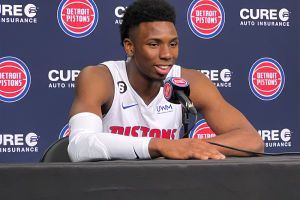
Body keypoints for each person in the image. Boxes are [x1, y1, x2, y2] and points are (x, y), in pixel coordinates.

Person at [67, 0, 264, 162]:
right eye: (154, 44)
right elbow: (80, 146)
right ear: (130, 47)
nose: (167, 54)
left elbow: (252, 140)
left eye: (173, 44)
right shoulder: (100, 78)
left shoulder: (190, 81)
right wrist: (162, 145)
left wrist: (191, 148)